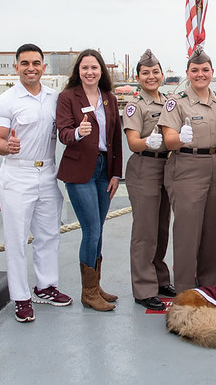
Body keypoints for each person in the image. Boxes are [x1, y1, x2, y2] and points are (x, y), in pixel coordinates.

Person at [0, 43, 72, 323]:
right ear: (16, 67)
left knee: (49, 233)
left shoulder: (55, 98)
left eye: (36, 63)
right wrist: (7, 146)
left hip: (47, 171)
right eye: (24, 63)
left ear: (43, 68)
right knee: (16, 238)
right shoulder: (5, 101)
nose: (31, 68)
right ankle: (21, 298)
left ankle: (45, 286)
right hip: (17, 173)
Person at [158, 48, 216, 294]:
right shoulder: (176, 103)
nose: (200, 74)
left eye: (205, 70)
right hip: (187, 166)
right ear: (187, 73)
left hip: (215, 165)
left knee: (214, 227)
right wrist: (180, 137)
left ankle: (210, 283)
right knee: (188, 230)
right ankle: (186, 288)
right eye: (195, 70)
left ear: (212, 72)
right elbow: (168, 139)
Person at [56, 49, 122, 312]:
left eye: (94, 68)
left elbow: (115, 138)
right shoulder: (67, 98)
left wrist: (116, 173)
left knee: (99, 229)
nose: (90, 72)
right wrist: (78, 133)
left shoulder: (109, 99)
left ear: (101, 71)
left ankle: (96, 286)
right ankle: (88, 292)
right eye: (85, 68)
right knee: (91, 229)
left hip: (104, 169)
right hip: (80, 170)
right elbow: (63, 133)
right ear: (78, 71)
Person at [123, 49, 175, 311]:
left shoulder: (169, 100)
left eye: (155, 72)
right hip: (145, 167)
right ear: (138, 77)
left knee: (162, 228)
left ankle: (160, 278)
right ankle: (143, 287)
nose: (151, 76)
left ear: (163, 75)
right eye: (146, 73)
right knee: (145, 231)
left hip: (168, 166)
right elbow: (132, 142)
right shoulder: (136, 105)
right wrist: (147, 142)